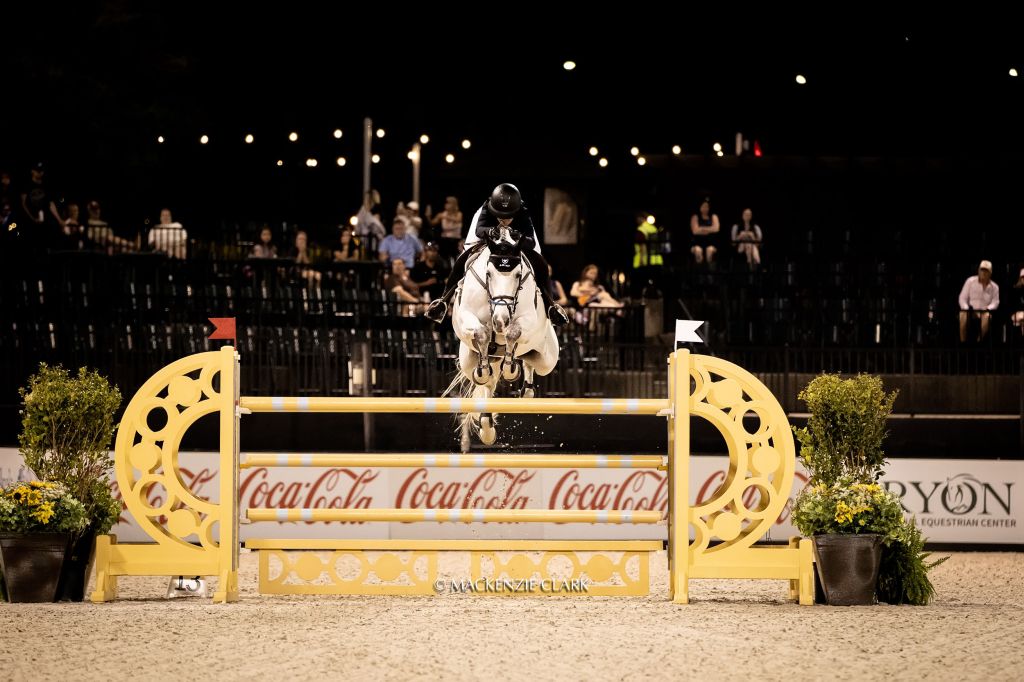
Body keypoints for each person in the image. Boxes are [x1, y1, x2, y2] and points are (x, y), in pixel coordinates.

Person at [423, 183, 568, 326]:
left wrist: (517, 235)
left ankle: (551, 306)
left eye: (509, 216)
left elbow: (531, 241)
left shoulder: (522, 210)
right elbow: (479, 230)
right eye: (500, 216)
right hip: (487, 237)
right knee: (464, 257)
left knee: (540, 261)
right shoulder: (487, 207)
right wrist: (492, 231)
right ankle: (443, 301)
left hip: (514, 239)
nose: (504, 219)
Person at [958, 260, 999, 342]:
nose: (983, 273)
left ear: (990, 273)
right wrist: (966, 308)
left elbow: (996, 302)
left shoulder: (994, 287)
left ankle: (979, 341)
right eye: (982, 270)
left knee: (987, 316)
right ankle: (963, 342)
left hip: (984, 312)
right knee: (962, 314)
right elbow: (962, 298)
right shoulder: (970, 281)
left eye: (986, 271)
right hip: (971, 311)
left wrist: (988, 308)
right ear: (978, 271)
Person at [690, 199, 720, 264]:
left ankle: (710, 269)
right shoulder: (695, 217)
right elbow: (695, 231)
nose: (705, 208)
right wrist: (710, 229)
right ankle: (699, 269)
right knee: (698, 250)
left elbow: (716, 229)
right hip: (697, 242)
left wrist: (701, 229)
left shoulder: (713, 216)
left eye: (707, 206)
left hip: (711, 242)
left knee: (710, 250)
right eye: (703, 206)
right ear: (700, 207)